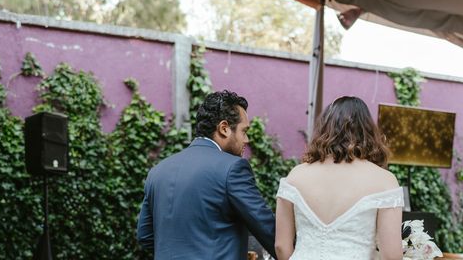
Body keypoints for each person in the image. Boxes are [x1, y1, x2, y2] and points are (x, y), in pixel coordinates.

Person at [137, 90, 277, 260]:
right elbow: (266, 227)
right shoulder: (233, 168)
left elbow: (145, 236)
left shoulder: (157, 171)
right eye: (244, 131)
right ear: (224, 128)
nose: (246, 140)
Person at [275, 96, 403, 260]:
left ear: (324, 129)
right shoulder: (385, 181)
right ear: (368, 131)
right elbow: (391, 256)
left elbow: (281, 246)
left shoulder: (296, 175)